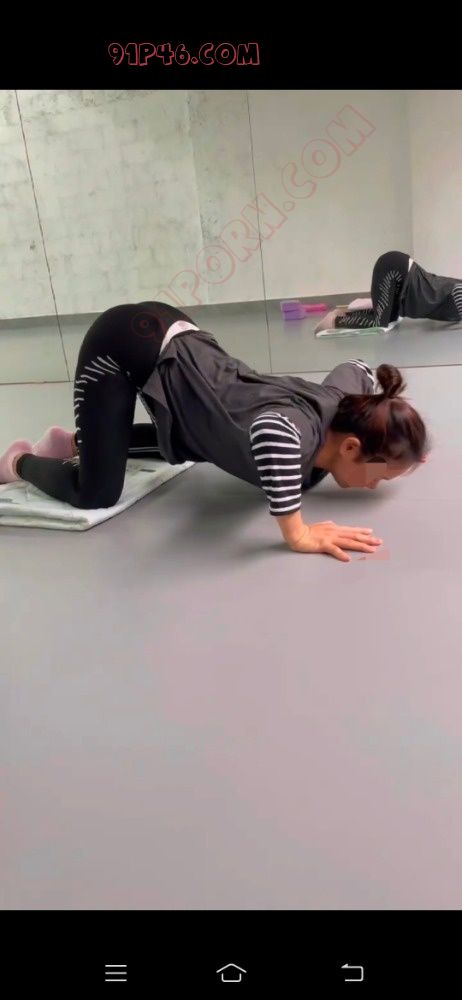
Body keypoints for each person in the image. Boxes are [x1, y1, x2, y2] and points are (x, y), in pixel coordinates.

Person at [0, 300, 429, 561]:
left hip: (176, 333)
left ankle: (76, 442)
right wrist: (297, 533)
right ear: (351, 447)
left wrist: (404, 446)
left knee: (197, 440)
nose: (374, 486)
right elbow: (272, 435)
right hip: (122, 343)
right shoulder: (296, 432)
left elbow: (358, 367)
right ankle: (18, 462)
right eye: (379, 475)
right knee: (95, 493)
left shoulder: (342, 402)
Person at [316, 250, 462, 333]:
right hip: (395, 269)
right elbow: (456, 292)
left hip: (403, 278)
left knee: (389, 319)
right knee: (379, 323)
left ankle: (343, 314)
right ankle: (334, 321)